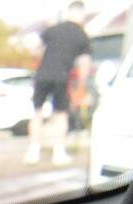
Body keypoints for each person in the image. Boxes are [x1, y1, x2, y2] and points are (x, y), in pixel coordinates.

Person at [26, 1, 94, 166]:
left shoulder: (53, 29)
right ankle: (59, 152)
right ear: (82, 15)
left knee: (37, 112)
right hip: (62, 76)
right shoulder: (82, 35)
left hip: (42, 74)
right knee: (60, 114)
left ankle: (33, 151)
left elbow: (35, 49)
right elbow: (84, 63)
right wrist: (81, 86)